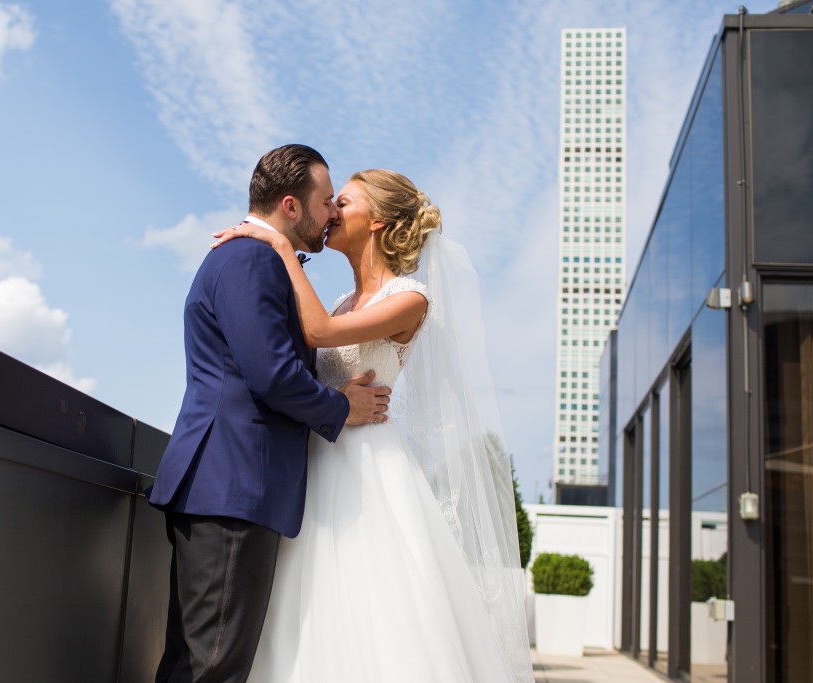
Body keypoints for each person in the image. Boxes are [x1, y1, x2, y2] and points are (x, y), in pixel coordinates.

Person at [211, 169, 534, 682]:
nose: (331, 212)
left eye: (343, 201)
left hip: (367, 469)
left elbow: (318, 333)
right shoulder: (341, 299)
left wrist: (275, 241)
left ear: (379, 220)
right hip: (315, 460)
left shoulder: (412, 299)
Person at [148, 145, 392, 683]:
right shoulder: (252, 259)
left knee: (193, 662)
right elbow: (272, 374)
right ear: (290, 205)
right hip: (235, 485)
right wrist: (340, 407)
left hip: (225, 485)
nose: (331, 213)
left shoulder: (251, 257)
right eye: (326, 201)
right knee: (213, 667)